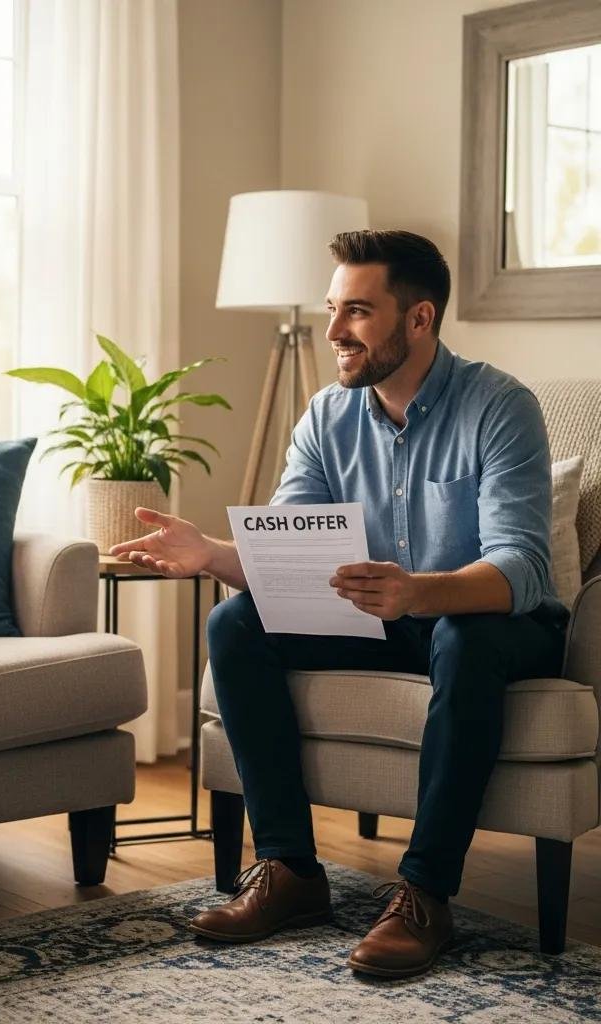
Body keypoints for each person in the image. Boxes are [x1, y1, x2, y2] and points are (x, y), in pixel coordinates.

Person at [110, 230, 568, 979]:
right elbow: (295, 556)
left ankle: (424, 893)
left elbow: (522, 567)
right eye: (332, 310)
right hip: (386, 620)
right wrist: (217, 557)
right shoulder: (327, 416)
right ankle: (291, 871)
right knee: (235, 622)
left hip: (495, 625)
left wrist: (420, 591)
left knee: (462, 637)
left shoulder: (498, 404)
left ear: (418, 319)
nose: (332, 333)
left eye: (356, 311)